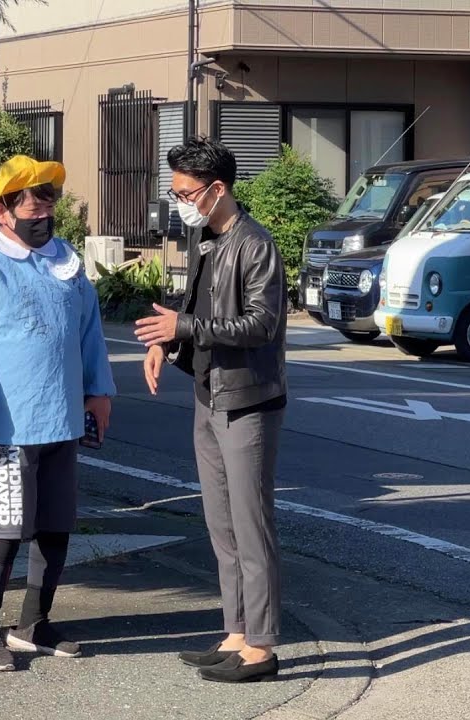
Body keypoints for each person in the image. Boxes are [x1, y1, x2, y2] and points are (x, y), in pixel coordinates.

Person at [0, 155, 116, 672]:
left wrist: (99, 391)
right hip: (4, 426)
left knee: (56, 525)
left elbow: (89, 331)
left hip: (60, 417)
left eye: (49, 202)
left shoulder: (65, 261)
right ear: (2, 210)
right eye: (32, 203)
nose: (43, 212)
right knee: (3, 529)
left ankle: (34, 623)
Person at [135, 137, 288, 683]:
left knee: (252, 527)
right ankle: (237, 632)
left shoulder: (255, 244)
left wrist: (184, 328)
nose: (179, 201)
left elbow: (260, 325)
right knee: (222, 527)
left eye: (186, 192)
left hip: (248, 400)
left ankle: (263, 647)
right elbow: (192, 313)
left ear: (217, 189)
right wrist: (166, 341)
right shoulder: (205, 239)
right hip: (209, 394)